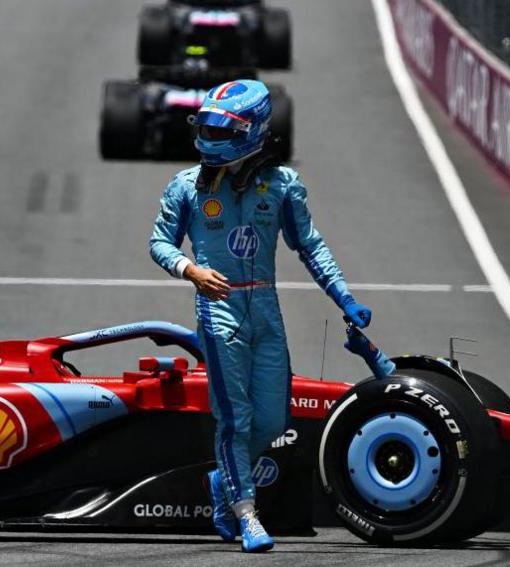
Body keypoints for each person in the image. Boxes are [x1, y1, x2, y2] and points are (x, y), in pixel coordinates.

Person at [149, 79, 371, 553]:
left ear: (252, 130)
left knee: (273, 422)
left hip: (266, 309)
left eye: (221, 128)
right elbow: (159, 243)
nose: (210, 135)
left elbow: (310, 247)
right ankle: (247, 513)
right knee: (237, 419)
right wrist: (191, 269)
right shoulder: (186, 186)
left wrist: (344, 298)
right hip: (217, 308)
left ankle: (222, 481)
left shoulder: (283, 185)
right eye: (206, 124)